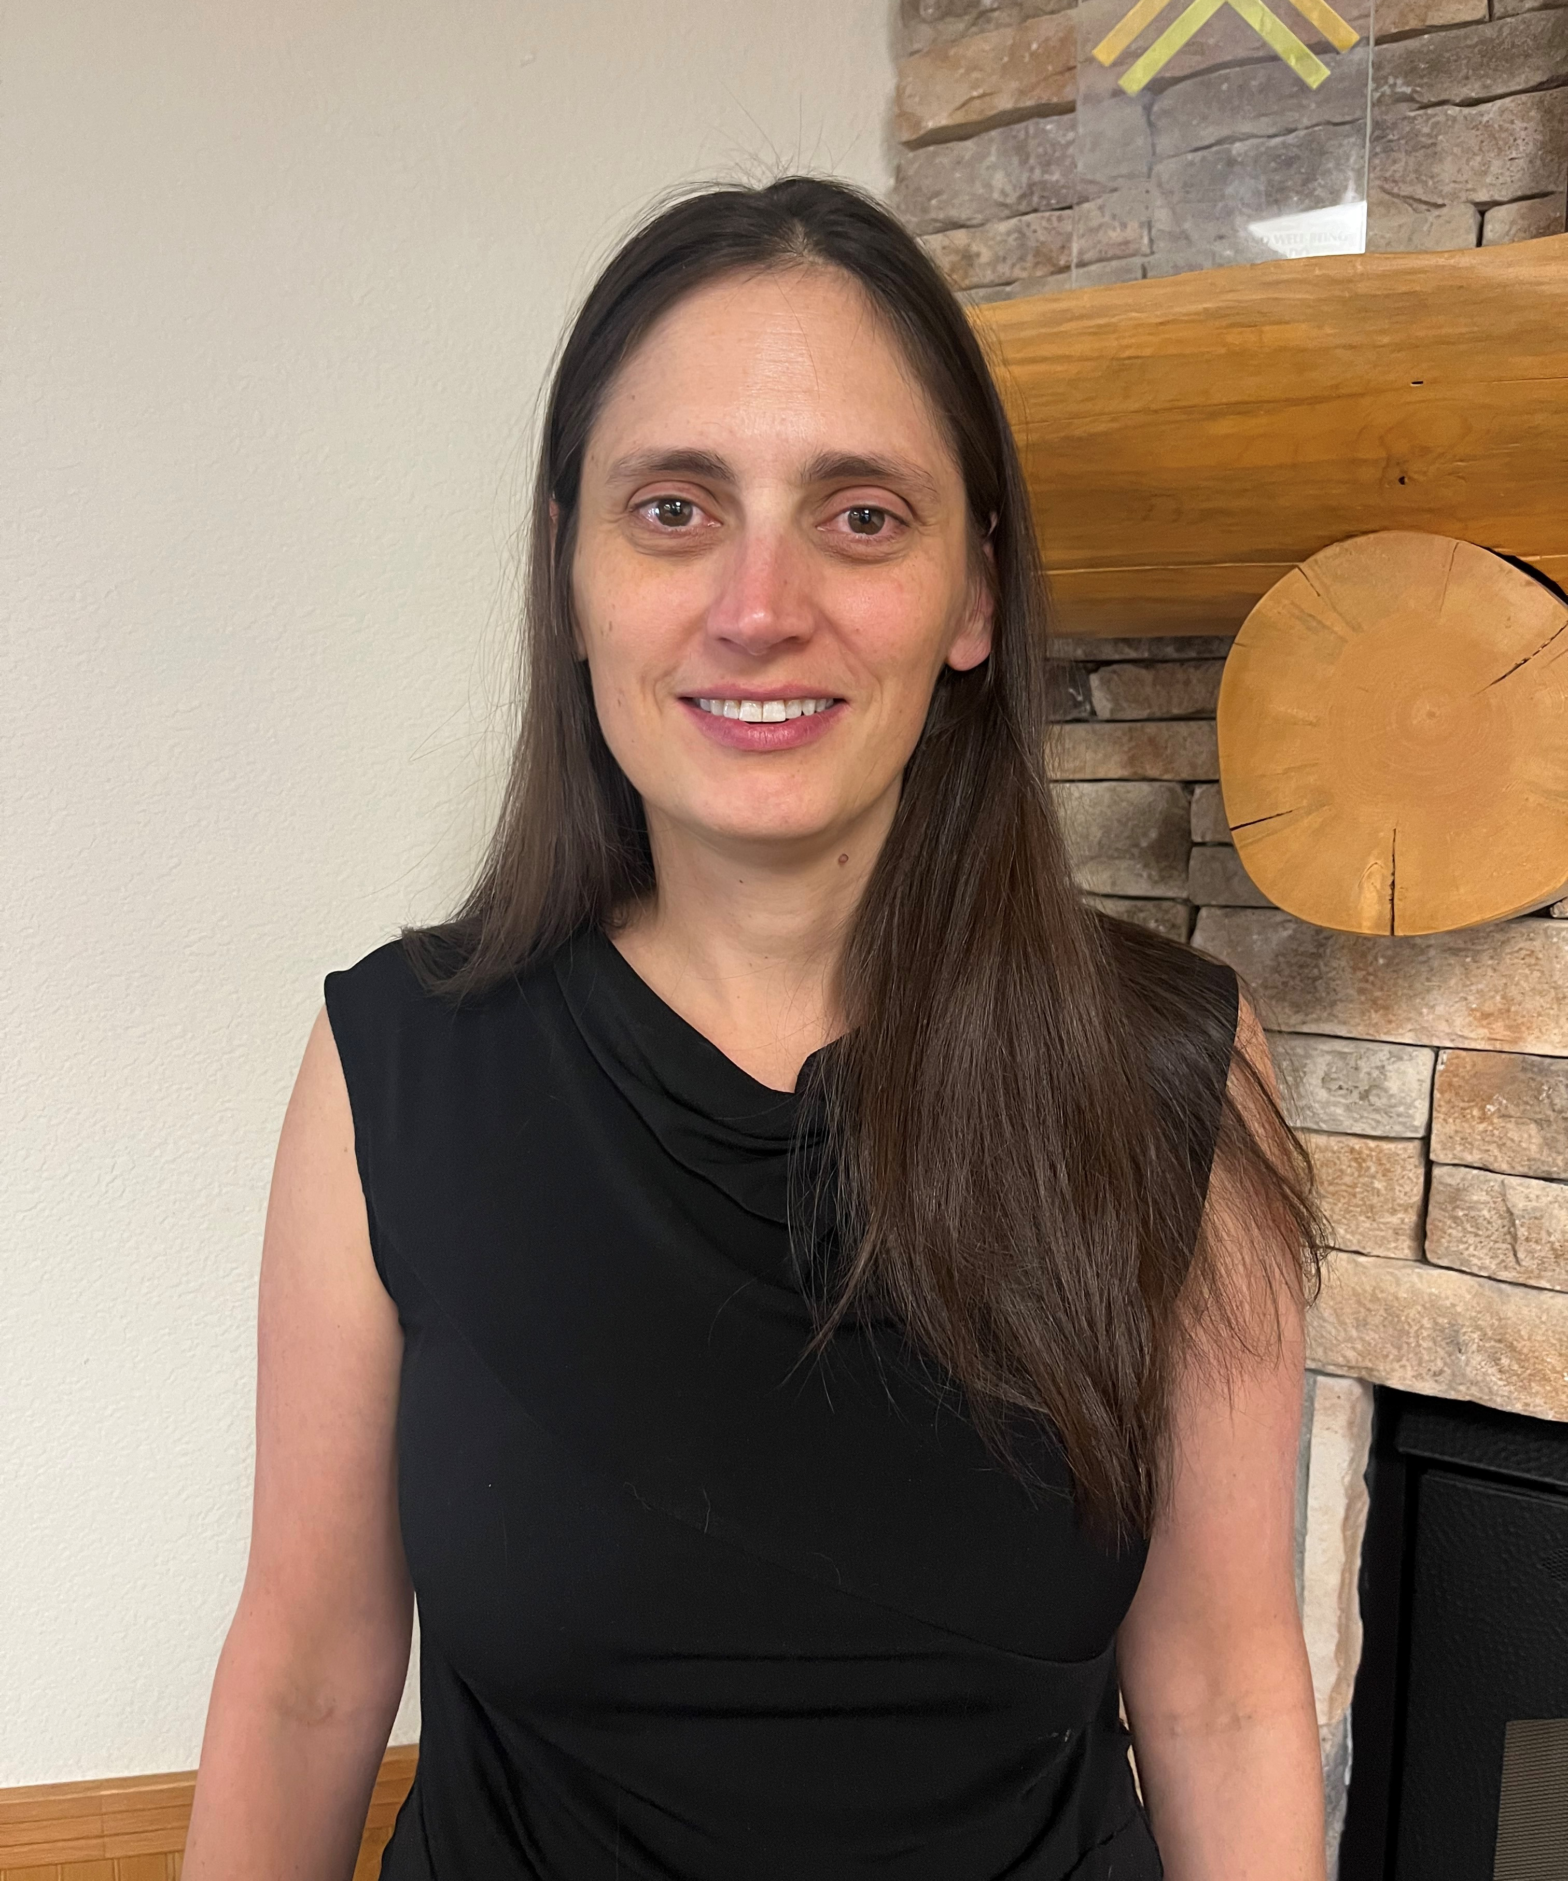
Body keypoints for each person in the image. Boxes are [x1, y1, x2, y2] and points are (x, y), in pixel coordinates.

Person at [183, 175, 1330, 1881]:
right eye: (673, 509)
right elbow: (304, 1677)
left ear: (974, 596)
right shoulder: (396, 1069)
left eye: (861, 515)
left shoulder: (1170, 1082)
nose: (757, 603)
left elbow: (1229, 1695)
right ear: (571, 574)